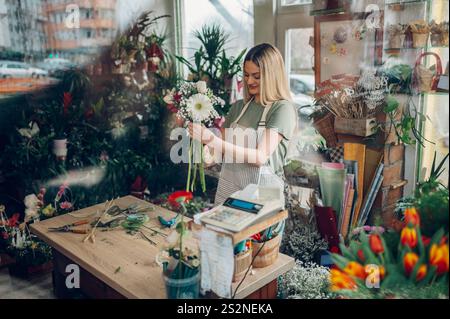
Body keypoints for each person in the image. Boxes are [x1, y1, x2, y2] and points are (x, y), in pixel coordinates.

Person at [188, 43, 297, 207]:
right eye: (246, 75)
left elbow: (260, 157)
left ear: (272, 76)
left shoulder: (282, 108)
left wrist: (213, 140)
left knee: (254, 232)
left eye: (256, 76)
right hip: (231, 189)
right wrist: (204, 148)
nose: (249, 80)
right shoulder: (239, 107)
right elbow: (219, 153)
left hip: (264, 194)